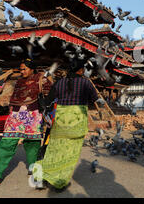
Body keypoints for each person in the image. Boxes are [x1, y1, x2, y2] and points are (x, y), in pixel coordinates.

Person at [0, 59, 52, 190]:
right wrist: (11, 112)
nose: (22, 71)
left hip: (33, 115)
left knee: (33, 145)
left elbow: (50, 97)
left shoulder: (42, 79)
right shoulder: (19, 81)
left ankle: (35, 173)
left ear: (32, 69)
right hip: (15, 117)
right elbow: (14, 98)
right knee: (6, 144)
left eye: (24, 69)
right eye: (20, 69)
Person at [31, 59, 99, 191]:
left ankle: (42, 177)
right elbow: (94, 99)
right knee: (70, 153)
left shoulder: (59, 82)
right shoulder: (85, 82)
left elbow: (47, 101)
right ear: (80, 70)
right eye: (83, 68)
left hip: (61, 119)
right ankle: (58, 182)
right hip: (77, 119)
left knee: (54, 150)